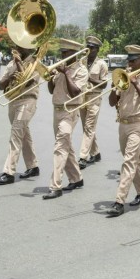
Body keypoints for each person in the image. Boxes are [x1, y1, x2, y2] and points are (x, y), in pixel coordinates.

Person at [107, 45, 140, 216]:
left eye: (133, 61)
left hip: (138, 124)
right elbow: (112, 102)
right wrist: (115, 86)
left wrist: (135, 83)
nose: (130, 64)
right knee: (132, 161)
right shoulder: (125, 75)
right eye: (129, 61)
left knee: (128, 161)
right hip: (123, 123)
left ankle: (119, 201)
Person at [43, 39, 89, 200]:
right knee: (66, 145)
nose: (61, 56)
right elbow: (51, 90)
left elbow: (75, 92)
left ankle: (55, 186)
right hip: (57, 110)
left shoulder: (81, 71)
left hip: (70, 111)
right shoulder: (60, 70)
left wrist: (66, 73)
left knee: (60, 146)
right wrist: (50, 77)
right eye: (61, 52)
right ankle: (76, 178)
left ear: (74, 54)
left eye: (65, 53)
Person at [0, 45, 40, 185]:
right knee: (24, 135)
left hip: (27, 100)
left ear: (28, 47)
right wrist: (9, 77)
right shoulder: (10, 64)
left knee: (15, 135)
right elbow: (1, 86)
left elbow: (29, 81)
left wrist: (19, 63)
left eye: (21, 45)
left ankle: (9, 172)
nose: (17, 47)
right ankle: (33, 166)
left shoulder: (35, 62)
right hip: (13, 101)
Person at [78, 36, 108, 170]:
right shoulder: (81, 62)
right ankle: (95, 153)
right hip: (81, 97)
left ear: (97, 50)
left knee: (89, 127)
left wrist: (89, 78)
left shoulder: (102, 64)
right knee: (86, 127)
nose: (88, 49)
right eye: (87, 47)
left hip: (94, 98)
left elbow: (104, 84)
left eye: (91, 48)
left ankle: (83, 156)